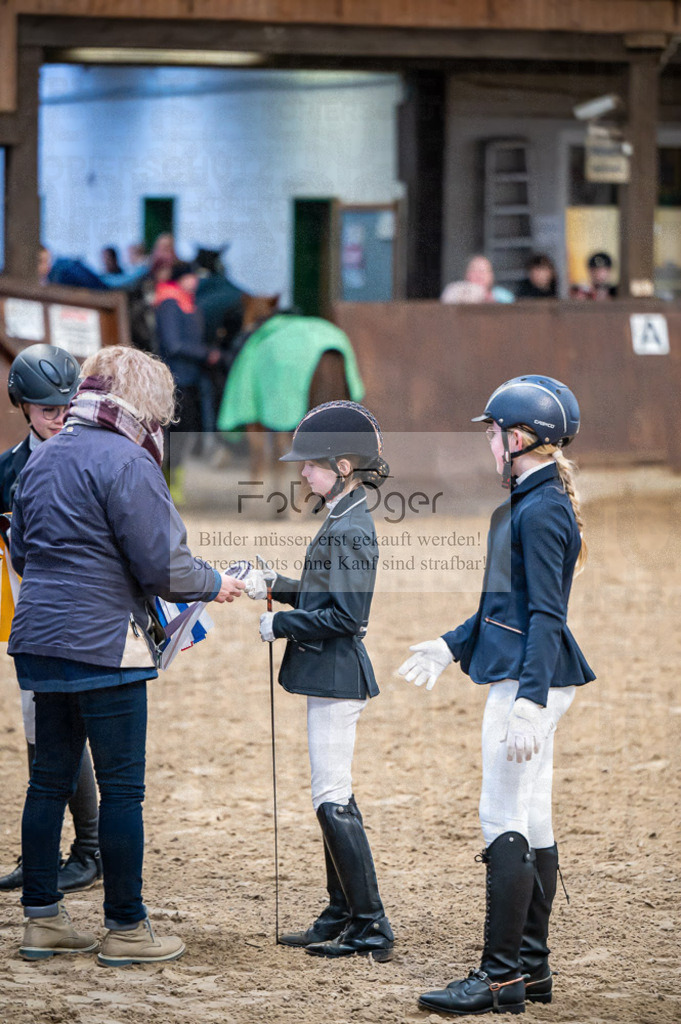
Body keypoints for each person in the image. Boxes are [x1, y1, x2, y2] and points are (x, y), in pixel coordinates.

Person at [7, 345, 245, 966]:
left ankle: (42, 920)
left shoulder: (41, 459)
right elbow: (163, 565)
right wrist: (213, 581)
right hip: (103, 646)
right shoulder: (127, 461)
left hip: (35, 638)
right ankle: (126, 928)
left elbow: (23, 556)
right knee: (121, 792)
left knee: (46, 783)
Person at [398, 375, 595, 1016]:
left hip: (528, 679)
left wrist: (529, 701)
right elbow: (501, 608)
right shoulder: (530, 501)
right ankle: (532, 970)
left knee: (500, 813)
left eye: (491, 431)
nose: (487, 441)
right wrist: (451, 644)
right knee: (532, 811)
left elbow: (546, 615)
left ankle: (501, 975)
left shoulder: (541, 511)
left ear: (518, 438)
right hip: (528, 672)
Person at [245, 401, 394, 961]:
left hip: (337, 676)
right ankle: (340, 911)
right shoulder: (339, 516)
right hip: (326, 674)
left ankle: (371, 924)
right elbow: (325, 594)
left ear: (345, 466)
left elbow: (347, 616)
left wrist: (280, 623)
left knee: (332, 798)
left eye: (312, 464)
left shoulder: (352, 527)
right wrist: (277, 584)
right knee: (329, 795)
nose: (303, 472)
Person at [0, 345, 103, 895]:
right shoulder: (6, 471)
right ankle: (46, 855)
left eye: (66, 404)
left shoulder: (99, 455)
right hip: (28, 617)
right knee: (39, 729)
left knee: (68, 727)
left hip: (85, 615)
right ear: (22, 406)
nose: (59, 416)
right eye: (45, 409)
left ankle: (87, 848)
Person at [154, 261, 221, 499]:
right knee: (170, 434)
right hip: (174, 379)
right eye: (190, 276)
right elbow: (173, 344)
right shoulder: (170, 304)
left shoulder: (190, 305)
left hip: (190, 378)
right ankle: (166, 484)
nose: (195, 281)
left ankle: (175, 483)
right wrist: (205, 354)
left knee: (184, 433)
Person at [441, 255, 515, 304]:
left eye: (483, 271)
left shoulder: (503, 295)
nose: (478, 275)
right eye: (474, 270)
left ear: (491, 276)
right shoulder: (454, 290)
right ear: (466, 274)